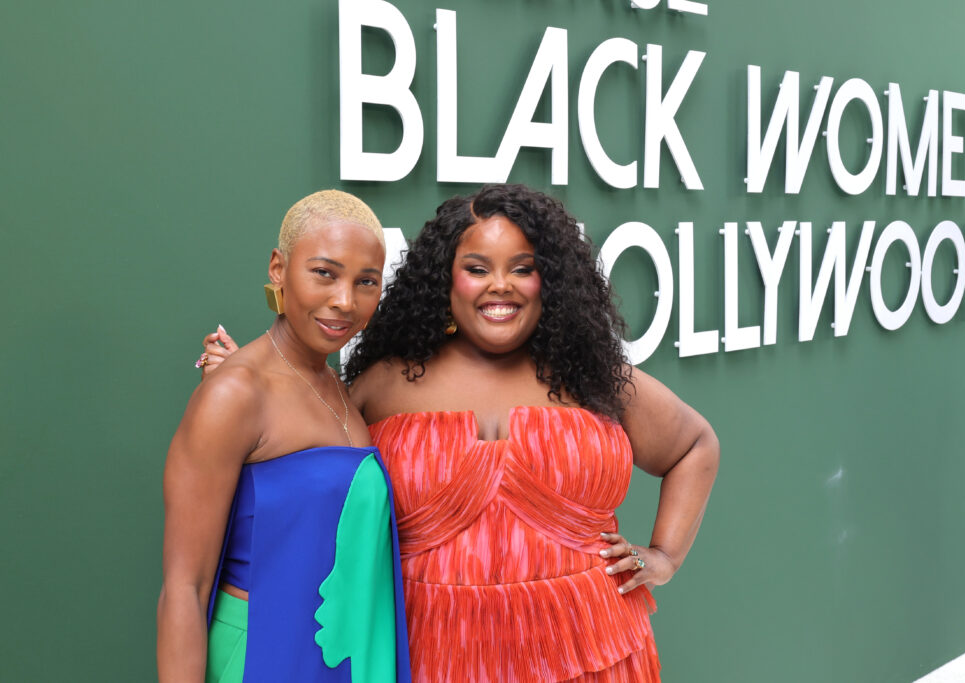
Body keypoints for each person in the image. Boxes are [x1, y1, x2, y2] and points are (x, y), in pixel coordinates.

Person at [201, 184, 719, 682]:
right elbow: (311, 429)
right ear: (444, 281)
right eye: (477, 269)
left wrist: (664, 557)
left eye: (523, 269)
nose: (500, 285)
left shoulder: (591, 376)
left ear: (552, 281)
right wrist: (250, 379)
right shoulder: (387, 381)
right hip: (431, 651)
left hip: (589, 648)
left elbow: (694, 446)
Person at [158, 190, 411, 682]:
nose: (345, 300)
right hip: (264, 654)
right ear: (278, 268)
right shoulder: (235, 393)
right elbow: (184, 589)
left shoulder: (338, 389)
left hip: (342, 652)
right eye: (324, 273)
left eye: (366, 282)